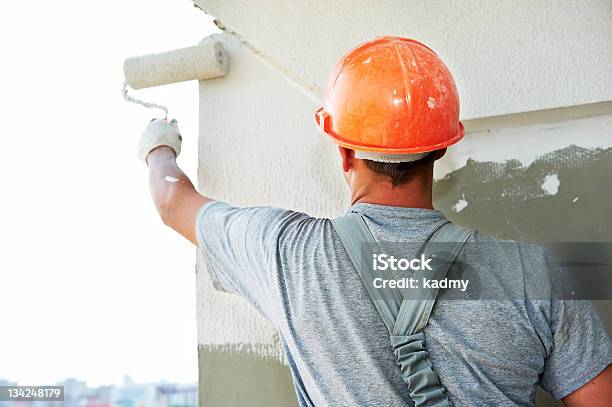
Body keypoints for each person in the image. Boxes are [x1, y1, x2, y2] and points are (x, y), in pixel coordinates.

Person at [136, 37, 611, 406]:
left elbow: (172, 202)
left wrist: (160, 144)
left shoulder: (288, 255)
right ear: (443, 147)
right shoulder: (534, 275)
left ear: (344, 151)